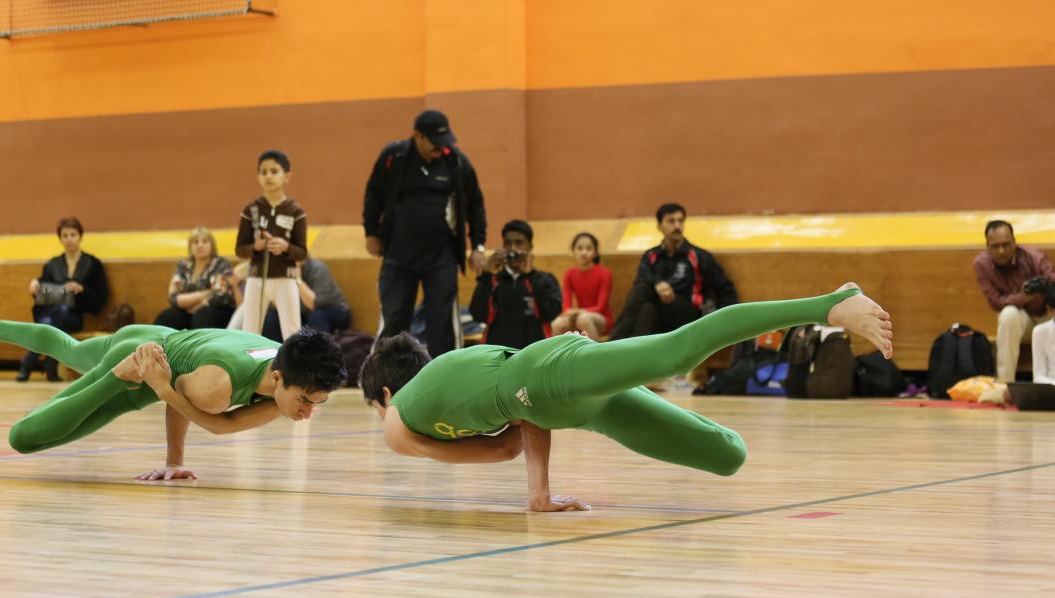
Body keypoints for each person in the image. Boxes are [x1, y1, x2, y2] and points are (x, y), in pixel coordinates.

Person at [359, 283, 892, 511]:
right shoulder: (447, 383)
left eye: (377, 408)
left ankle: (829, 305)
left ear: (385, 394)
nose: (382, 419)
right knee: (727, 454)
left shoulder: (400, 416)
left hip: (549, 376)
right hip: (567, 403)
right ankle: (827, 305)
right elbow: (517, 428)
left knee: (678, 353)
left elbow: (501, 444)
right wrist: (539, 496)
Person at [0, 310, 346, 480]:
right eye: (304, 401)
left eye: (317, 404)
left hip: (154, 336)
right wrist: (161, 395)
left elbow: (216, 420)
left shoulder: (283, 361)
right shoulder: (218, 385)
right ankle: (114, 377)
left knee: (71, 350)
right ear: (278, 377)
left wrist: (174, 458)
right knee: (25, 439)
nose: (307, 413)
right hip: (139, 364)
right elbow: (182, 399)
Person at [364, 109, 488, 356]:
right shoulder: (394, 156)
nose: (441, 148)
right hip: (399, 255)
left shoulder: (456, 162)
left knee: (443, 324)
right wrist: (371, 233)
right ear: (418, 136)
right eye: (435, 142)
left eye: (445, 141)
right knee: (394, 321)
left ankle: (447, 374)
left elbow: (475, 204)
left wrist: (478, 246)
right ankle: (386, 375)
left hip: (441, 258)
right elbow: (373, 193)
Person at [611, 203, 737, 340]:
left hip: (689, 315)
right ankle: (635, 349)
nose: (677, 226)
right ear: (659, 227)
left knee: (644, 294)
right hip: (659, 312)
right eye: (671, 221)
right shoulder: (651, 255)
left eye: (680, 221)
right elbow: (641, 279)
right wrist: (658, 283)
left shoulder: (698, 255)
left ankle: (614, 342)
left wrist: (725, 322)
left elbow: (726, 288)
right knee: (647, 305)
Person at [21, 217, 109, 382]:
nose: (69, 239)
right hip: (49, 314)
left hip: (73, 317)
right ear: (60, 239)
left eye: (73, 235)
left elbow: (101, 298)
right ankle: (50, 365)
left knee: (53, 320)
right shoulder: (52, 264)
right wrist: (35, 284)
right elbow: (42, 289)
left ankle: (29, 362)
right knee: (51, 320)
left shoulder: (93, 264)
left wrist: (82, 289)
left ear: (80, 236)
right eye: (65, 235)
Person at [235, 150, 308, 340]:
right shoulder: (250, 210)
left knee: (293, 333)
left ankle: (292, 361)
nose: (268, 176)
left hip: (286, 278)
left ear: (287, 176)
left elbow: (302, 252)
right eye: (263, 172)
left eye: (274, 171)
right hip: (256, 278)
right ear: (258, 176)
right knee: (250, 332)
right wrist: (256, 247)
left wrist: (286, 247)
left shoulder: (296, 211)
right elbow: (240, 250)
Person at [972, 220, 1055, 382]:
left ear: (1015, 242)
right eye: (995, 246)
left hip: (1048, 315)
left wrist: (1045, 287)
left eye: (1006, 244)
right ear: (987, 246)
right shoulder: (981, 265)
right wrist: (1023, 297)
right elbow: (996, 303)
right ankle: (1005, 384)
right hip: (1022, 320)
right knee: (1007, 315)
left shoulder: (1034, 257)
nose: (1001, 251)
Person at [469, 220, 562, 349]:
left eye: (519, 243)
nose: (513, 249)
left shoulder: (545, 279)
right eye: (508, 243)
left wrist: (531, 276)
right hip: (498, 354)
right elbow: (478, 315)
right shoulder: (492, 280)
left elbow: (550, 313)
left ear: (530, 247)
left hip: (535, 353)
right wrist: (487, 274)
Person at [153, 227, 239, 330]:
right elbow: (173, 298)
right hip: (187, 310)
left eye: (205, 241)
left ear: (212, 245)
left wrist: (194, 304)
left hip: (217, 310)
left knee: (202, 316)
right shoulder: (183, 265)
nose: (200, 245)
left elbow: (220, 296)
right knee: (166, 317)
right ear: (190, 247)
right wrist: (206, 293)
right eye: (195, 242)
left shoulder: (222, 264)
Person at [259, 257, 352, 342]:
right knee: (271, 316)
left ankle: (315, 353)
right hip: (304, 313)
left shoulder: (317, 268)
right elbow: (279, 305)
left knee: (317, 317)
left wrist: (297, 279)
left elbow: (314, 304)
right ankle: (275, 351)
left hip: (334, 310)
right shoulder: (282, 271)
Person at [552, 232, 612, 341]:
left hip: (601, 318)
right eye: (579, 248)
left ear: (595, 253)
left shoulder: (604, 273)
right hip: (580, 316)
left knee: (583, 318)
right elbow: (566, 307)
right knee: (557, 323)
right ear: (573, 251)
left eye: (589, 249)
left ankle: (595, 351)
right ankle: (560, 352)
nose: (584, 252)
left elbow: (600, 307)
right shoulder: (569, 274)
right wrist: (571, 313)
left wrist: (577, 312)